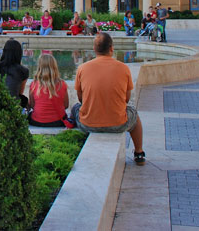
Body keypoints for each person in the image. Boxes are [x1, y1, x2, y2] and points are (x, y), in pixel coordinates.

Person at [71, 32, 145, 165]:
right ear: (111, 48)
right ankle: (139, 152)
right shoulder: (124, 68)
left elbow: (81, 98)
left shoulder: (82, 68)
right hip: (118, 123)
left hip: (88, 124)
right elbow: (126, 99)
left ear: (94, 49)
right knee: (134, 114)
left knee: (75, 108)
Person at [28, 54, 71, 127]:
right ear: (54, 66)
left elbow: (32, 105)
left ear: (39, 67)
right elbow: (66, 105)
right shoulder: (62, 84)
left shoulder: (34, 84)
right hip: (58, 121)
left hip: (37, 121)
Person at [0, 39, 30, 108]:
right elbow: (20, 92)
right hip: (12, 106)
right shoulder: (23, 71)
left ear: (4, 52)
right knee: (24, 100)